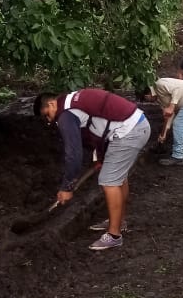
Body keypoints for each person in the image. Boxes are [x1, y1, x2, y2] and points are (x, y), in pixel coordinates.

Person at [34, 89, 151, 251]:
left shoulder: (65, 114)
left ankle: (114, 235)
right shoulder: (72, 102)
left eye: (47, 115)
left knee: (108, 181)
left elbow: (73, 154)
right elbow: (98, 127)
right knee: (118, 178)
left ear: (51, 103)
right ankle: (119, 221)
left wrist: (67, 187)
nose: (50, 120)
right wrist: (101, 157)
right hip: (135, 124)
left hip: (129, 131)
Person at [143, 78, 183, 166]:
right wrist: (163, 134)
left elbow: (177, 89)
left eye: (148, 99)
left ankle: (178, 156)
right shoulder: (159, 99)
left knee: (178, 124)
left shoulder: (159, 84)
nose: (150, 101)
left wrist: (172, 106)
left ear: (148, 94)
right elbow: (169, 116)